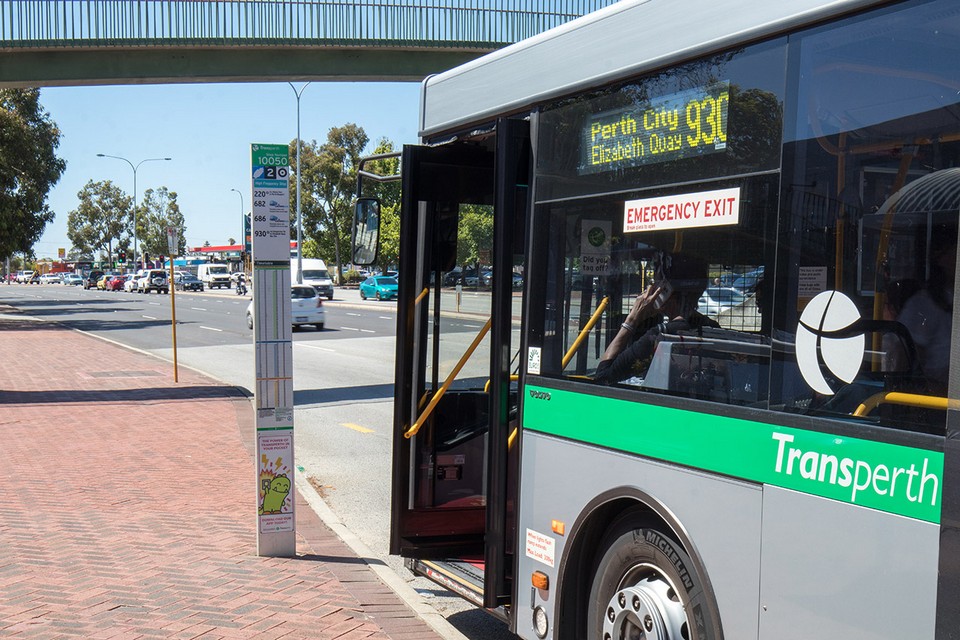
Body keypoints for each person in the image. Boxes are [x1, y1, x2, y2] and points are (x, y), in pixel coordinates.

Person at [596, 252, 719, 384]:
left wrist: (631, 321)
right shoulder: (713, 327)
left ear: (666, 289)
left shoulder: (661, 336)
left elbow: (603, 377)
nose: (652, 286)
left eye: (656, 281)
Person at [896, 228, 956, 393]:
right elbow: (905, 356)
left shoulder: (953, 296)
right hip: (937, 395)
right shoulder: (923, 304)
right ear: (941, 258)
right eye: (955, 252)